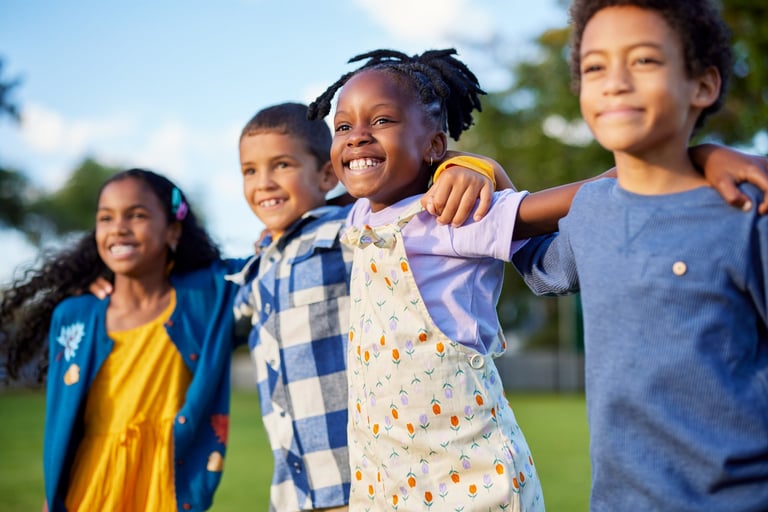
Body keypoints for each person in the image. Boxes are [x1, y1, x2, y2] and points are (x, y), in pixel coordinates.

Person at [511, 1, 768, 509]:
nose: (615, 81)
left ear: (703, 85)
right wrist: (484, 175)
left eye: (644, 60)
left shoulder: (745, 211)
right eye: (594, 66)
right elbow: (535, 263)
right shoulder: (589, 213)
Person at [228, 102, 510, 512]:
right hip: (292, 490)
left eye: (282, 165)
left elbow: (402, 185)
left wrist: (469, 166)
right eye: (249, 171)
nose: (264, 182)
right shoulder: (259, 264)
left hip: (360, 482)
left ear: (327, 173)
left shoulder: (349, 231)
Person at [0, 169, 244, 511]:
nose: (118, 227)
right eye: (106, 217)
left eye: (138, 215)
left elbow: (273, 261)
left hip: (167, 490)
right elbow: (63, 421)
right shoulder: (74, 316)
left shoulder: (207, 297)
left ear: (173, 230)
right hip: (88, 491)